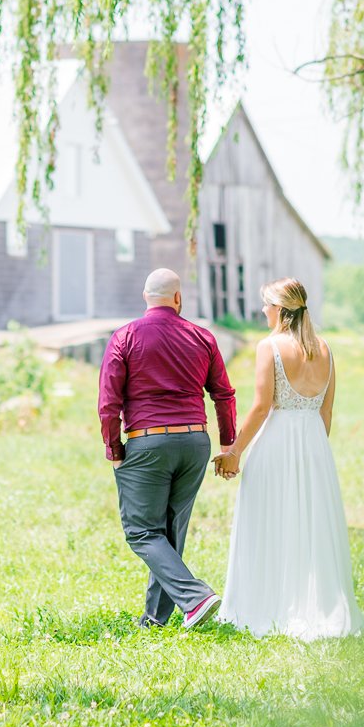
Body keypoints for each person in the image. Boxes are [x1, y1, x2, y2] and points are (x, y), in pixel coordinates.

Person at [215, 277, 364, 640]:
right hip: (315, 447)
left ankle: (267, 605)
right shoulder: (326, 349)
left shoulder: (270, 347)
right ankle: (316, 604)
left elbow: (261, 406)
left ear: (281, 310)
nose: (262, 311)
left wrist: (234, 451)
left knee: (270, 520)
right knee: (310, 527)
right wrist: (312, 452)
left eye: (266, 305)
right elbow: (325, 414)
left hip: (277, 443)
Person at [98, 268, 237, 629]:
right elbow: (223, 393)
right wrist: (228, 445)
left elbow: (108, 402)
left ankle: (195, 597)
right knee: (171, 530)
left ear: (146, 297)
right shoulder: (202, 337)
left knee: (142, 531)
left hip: (148, 441)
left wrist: (114, 448)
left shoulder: (125, 336)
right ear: (178, 298)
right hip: (195, 442)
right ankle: (155, 621)